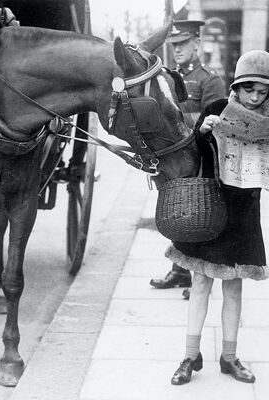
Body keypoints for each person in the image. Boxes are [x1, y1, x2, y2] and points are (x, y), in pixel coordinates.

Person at [169, 49, 269, 385]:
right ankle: (189, 355)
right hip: (209, 208)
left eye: (262, 91)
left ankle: (229, 357)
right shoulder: (216, 110)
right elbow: (190, 154)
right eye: (249, 90)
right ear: (237, 87)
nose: (255, 98)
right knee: (199, 283)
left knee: (234, 288)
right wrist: (202, 132)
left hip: (243, 213)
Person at [150, 20, 226, 297]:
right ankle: (180, 271)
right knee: (177, 215)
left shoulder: (209, 79)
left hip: (200, 161)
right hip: (174, 161)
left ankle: (200, 277)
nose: (178, 50)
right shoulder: (169, 78)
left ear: (197, 43)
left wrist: (180, 123)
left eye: (183, 44)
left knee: (200, 217)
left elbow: (217, 121)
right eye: (174, 45)